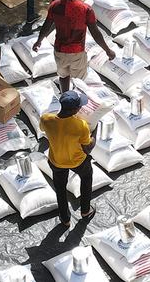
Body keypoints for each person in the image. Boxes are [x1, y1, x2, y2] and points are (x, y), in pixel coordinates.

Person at [33, 0, 115, 93]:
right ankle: (75, 100)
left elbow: (46, 26)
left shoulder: (55, 6)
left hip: (60, 51)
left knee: (63, 76)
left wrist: (39, 41)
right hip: (77, 52)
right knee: (79, 80)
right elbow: (95, 33)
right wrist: (107, 50)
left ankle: (65, 95)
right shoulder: (86, 9)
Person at [40, 89, 96, 227]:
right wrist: (95, 137)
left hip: (57, 161)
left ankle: (65, 219)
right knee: (86, 179)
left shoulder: (46, 119)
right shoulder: (81, 125)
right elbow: (87, 148)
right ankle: (85, 210)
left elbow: (43, 129)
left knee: (60, 189)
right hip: (78, 161)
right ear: (76, 110)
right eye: (80, 106)